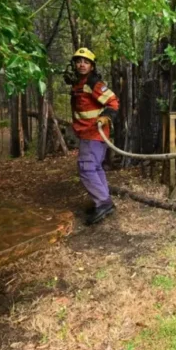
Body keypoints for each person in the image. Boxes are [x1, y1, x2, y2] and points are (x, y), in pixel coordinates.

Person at [69, 47, 119, 226]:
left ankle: (103, 203)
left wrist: (106, 117)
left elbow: (113, 102)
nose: (82, 64)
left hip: (94, 133)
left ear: (92, 66)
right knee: (95, 168)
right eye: (79, 61)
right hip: (85, 133)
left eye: (86, 62)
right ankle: (104, 201)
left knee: (87, 168)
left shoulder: (94, 83)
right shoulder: (79, 83)